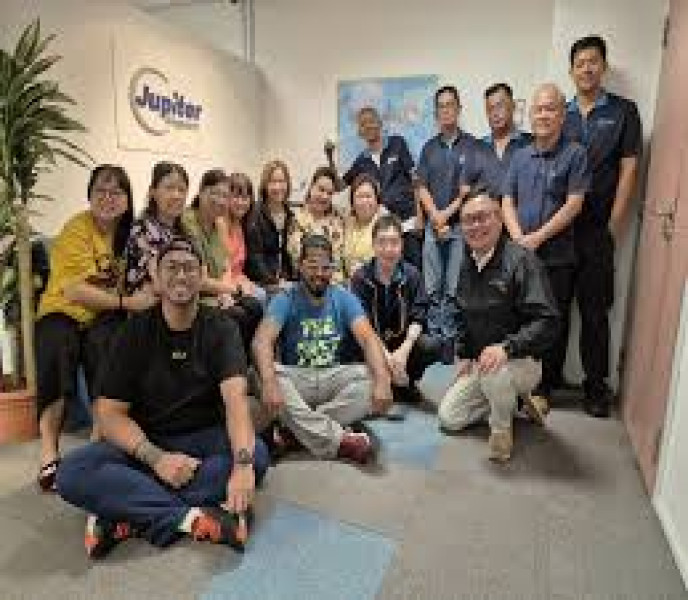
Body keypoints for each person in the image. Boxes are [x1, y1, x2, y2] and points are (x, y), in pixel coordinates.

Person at [56, 236, 269, 558]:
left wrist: (242, 466)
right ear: (155, 276)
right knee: (72, 473)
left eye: (189, 268)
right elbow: (109, 413)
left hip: (203, 439)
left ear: (202, 276)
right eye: (171, 267)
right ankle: (189, 518)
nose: (181, 275)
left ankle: (126, 513)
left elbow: (236, 402)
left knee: (256, 457)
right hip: (146, 441)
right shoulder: (134, 332)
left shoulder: (222, 328)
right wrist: (156, 459)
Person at [35, 165, 152, 492]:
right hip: (63, 310)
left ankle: (101, 440)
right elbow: (75, 291)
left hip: (104, 316)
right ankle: (48, 451)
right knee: (55, 346)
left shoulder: (132, 235)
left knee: (111, 345)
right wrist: (128, 303)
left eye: (116, 192)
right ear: (89, 195)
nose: (108, 198)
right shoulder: (77, 228)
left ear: (128, 200)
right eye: (100, 190)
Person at [438, 187, 559, 462]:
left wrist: (506, 348)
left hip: (523, 361)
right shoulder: (467, 262)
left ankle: (502, 430)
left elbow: (548, 321)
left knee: (495, 374)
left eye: (483, 217)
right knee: (449, 418)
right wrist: (465, 354)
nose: (475, 226)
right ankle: (514, 400)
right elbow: (463, 314)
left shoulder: (522, 261)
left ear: (500, 219)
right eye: (468, 220)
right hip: (484, 363)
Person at [252, 234, 393, 464]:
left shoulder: (344, 298)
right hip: (297, 381)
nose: (319, 273)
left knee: (373, 377)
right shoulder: (285, 298)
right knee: (261, 374)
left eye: (326, 267)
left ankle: (295, 432)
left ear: (333, 269)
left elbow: (368, 338)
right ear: (300, 266)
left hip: (332, 380)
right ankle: (340, 441)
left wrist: (383, 381)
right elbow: (262, 340)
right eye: (312, 266)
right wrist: (269, 382)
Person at [563, 35, 642, 418]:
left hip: (597, 230)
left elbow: (629, 171)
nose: (587, 69)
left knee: (595, 313)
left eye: (593, 61)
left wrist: (613, 225)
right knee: (554, 309)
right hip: (560, 230)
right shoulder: (561, 113)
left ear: (604, 66)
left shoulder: (624, 112)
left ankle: (596, 388)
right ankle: (546, 382)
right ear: (571, 70)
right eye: (580, 63)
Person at [502, 83, 590, 401]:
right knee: (519, 317)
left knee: (553, 320)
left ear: (563, 114)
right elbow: (507, 199)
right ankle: (518, 381)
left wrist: (538, 237)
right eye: (538, 109)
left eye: (550, 108)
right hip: (520, 254)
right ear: (530, 114)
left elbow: (574, 204)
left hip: (557, 255)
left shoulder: (575, 154)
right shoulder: (519, 156)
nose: (543, 115)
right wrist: (517, 238)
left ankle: (546, 386)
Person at [416, 85, 481, 357]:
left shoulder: (472, 145)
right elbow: (421, 187)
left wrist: (445, 215)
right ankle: (435, 347)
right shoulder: (428, 148)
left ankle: (451, 349)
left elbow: (468, 192)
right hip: (434, 227)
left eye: (450, 104)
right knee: (433, 290)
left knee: (454, 289)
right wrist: (435, 216)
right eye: (441, 106)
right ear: (436, 113)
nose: (446, 110)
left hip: (461, 228)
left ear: (459, 108)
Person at [350, 214, 440, 405]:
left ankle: (406, 382)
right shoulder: (360, 278)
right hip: (371, 342)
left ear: (402, 245)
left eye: (394, 242)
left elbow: (418, 316)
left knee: (431, 344)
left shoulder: (412, 275)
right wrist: (386, 358)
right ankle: (386, 379)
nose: (388, 249)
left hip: (400, 342)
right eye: (382, 242)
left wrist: (403, 352)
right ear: (373, 245)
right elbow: (363, 325)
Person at [326, 106, 422, 268]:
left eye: (371, 121)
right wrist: (330, 159)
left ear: (380, 123)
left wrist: (420, 216)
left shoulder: (397, 143)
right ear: (359, 132)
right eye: (363, 124)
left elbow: (415, 179)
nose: (368, 126)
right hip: (385, 229)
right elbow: (340, 186)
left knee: (414, 272)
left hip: (408, 223)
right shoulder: (361, 161)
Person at [182, 169, 263, 351]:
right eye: (214, 193)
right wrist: (232, 290)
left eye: (224, 196)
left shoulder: (218, 224)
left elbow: (226, 266)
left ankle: (244, 362)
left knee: (255, 306)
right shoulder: (189, 222)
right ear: (201, 192)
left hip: (218, 292)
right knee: (238, 316)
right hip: (198, 297)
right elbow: (200, 280)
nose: (219, 200)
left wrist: (226, 293)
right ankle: (229, 362)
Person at [124, 161, 188, 295]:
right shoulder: (141, 230)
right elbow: (156, 284)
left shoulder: (183, 232)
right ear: (153, 192)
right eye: (169, 188)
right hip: (149, 304)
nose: (176, 195)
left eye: (182, 190)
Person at [287, 166, 346, 283]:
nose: (325, 196)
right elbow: (297, 260)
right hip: (309, 283)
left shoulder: (338, 220)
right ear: (311, 188)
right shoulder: (298, 220)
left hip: (337, 283)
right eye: (321, 190)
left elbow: (339, 259)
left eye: (329, 193)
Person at [217, 172, 268, 307]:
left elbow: (238, 269)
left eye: (245, 198)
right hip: (223, 284)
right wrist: (235, 288)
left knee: (263, 294)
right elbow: (224, 267)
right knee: (259, 297)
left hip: (237, 280)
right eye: (235, 197)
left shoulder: (241, 224)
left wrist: (246, 282)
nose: (240, 203)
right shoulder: (221, 223)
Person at [248, 160, 298, 294]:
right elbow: (255, 258)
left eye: (281, 181)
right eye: (272, 182)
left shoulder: (290, 215)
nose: (277, 187)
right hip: (261, 282)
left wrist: (288, 279)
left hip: (284, 281)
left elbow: (288, 255)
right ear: (265, 185)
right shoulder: (255, 213)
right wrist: (274, 282)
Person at [477, 82, 533, 193]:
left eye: (499, 106)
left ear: (513, 106)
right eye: (490, 109)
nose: (495, 113)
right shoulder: (478, 147)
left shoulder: (531, 144)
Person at [342, 173, 388, 279]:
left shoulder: (385, 225)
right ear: (352, 202)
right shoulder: (348, 223)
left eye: (368, 196)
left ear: (377, 200)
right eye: (359, 197)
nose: (364, 201)